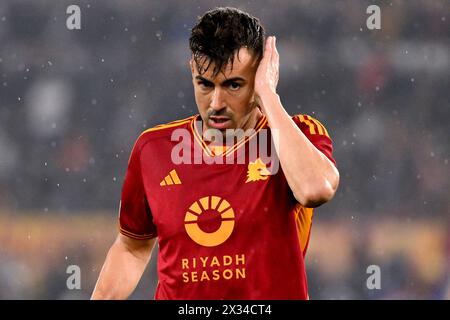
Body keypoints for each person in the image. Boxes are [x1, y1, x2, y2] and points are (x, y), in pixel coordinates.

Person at [91, 7, 339, 300]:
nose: (216, 103)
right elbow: (132, 247)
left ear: (261, 73)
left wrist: (269, 96)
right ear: (193, 71)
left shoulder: (296, 134)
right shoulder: (153, 149)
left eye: (234, 85)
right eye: (205, 85)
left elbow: (315, 190)